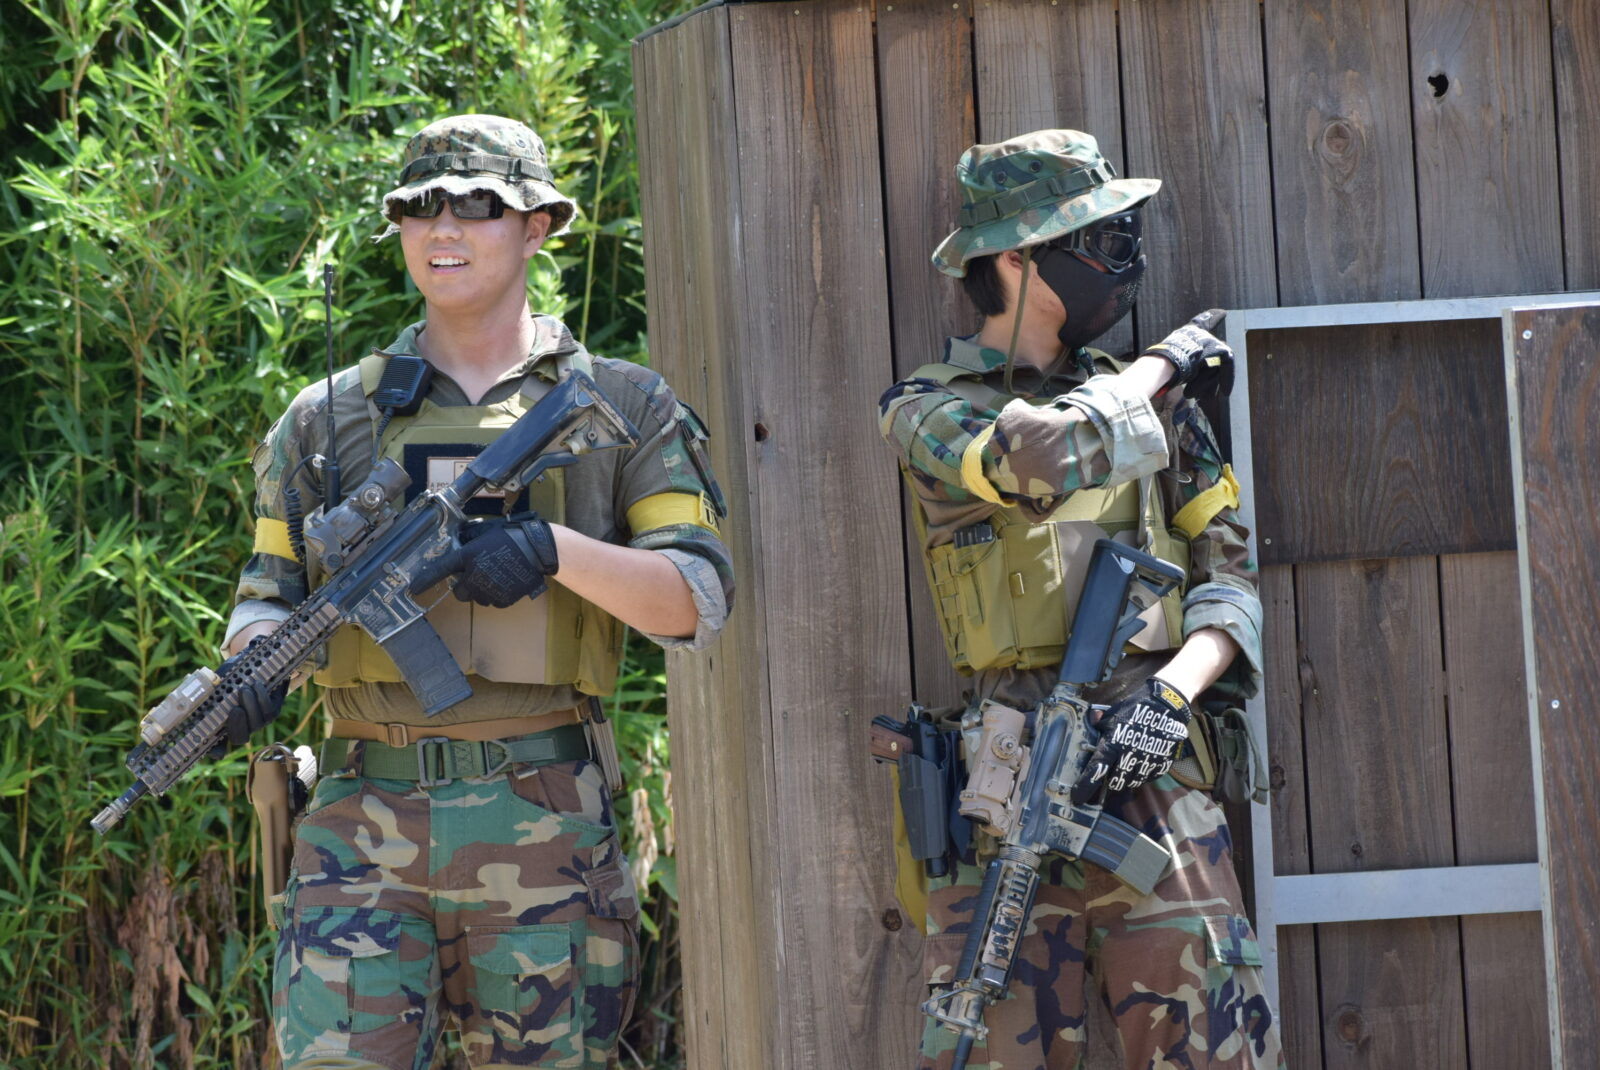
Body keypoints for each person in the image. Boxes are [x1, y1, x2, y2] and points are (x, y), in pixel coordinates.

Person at [220, 114, 734, 1070]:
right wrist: (248, 670)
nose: (444, 227)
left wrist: (551, 548)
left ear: (537, 226)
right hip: (358, 826)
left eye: (477, 205)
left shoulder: (623, 403)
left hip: (544, 820)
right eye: (421, 207)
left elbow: (694, 599)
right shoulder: (325, 418)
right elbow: (266, 595)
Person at [879, 129, 1284, 1069]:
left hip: (1155, 779)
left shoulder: (1157, 408)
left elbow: (1229, 577)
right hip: (1005, 792)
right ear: (1015, 259)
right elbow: (1036, 460)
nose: (1122, 257)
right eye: (1097, 238)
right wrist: (1160, 370)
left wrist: (1171, 695)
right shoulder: (928, 409)